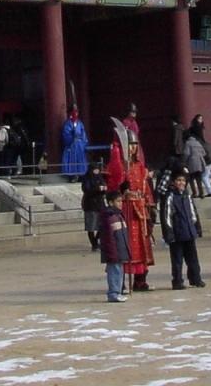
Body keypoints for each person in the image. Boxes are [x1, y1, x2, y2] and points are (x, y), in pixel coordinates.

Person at [106, 122, 155, 292]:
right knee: (124, 245)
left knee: (142, 245)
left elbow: (145, 187)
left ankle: (140, 280)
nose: (133, 148)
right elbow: (112, 188)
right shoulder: (118, 165)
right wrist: (121, 187)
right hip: (125, 210)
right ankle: (121, 282)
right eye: (130, 145)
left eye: (135, 145)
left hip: (140, 210)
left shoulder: (140, 166)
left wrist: (149, 204)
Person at [159, 169, 205, 290]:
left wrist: (197, 228)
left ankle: (196, 279)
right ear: (173, 182)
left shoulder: (187, 195)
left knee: (193, 258)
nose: (181, 183)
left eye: (183, 180)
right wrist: (168, 234)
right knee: (177, 260)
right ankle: (177, 281)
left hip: (189, 231)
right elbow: (166, 217)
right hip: (177, 234)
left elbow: (193, 213)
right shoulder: (170, 196)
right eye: (179, 180)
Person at [98, 190, 131, 303]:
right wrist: (112, 252)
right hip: (113, 251)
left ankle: (118, 292)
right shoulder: (108, 217)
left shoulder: (119, 215)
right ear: (111, 202)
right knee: (114, 271)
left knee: (119, 271)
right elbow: (108, 238)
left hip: (120, 249)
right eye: (118, 201)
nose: (121, 203)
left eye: (121, 201)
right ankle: (113, 293)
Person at [81, 158, 107, 251]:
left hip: (100, 204)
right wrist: (97, 189)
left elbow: (104, 186)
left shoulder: (100, 178)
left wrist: (104, 189)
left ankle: (96, 241)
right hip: (90, 205)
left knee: (103, 224)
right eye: (94, 169)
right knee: (91, 227)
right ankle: (94, 244)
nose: (96, 171)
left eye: (97, 169)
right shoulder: (86, 178)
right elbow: (86, 190)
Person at [61, 108, 89, 181]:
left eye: (77, 113)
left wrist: (84, 143)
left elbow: (83, 134)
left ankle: (81, 175)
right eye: (74, 113)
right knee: (72, 160)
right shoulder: (68, 123)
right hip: (71, 144)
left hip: (79, 144)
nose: (75, 114)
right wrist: (71, 136)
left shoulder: (80, 123)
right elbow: (66, 134)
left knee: (80, 159)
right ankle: (72, 176)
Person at [183, 130, 209, 199]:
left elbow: (186, 153)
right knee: (198, 179)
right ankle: (201, 193)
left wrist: (184, 161)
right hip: (200, 163)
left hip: (192, 163)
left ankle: (194, 193)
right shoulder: (198, 143)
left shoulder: (188, 143)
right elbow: (204, 153)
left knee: (191, 179)